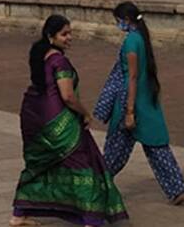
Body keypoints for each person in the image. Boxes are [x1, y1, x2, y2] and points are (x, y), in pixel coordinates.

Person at [11, 15, 128, 226]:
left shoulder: (41, 56)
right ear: (50, 36)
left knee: (39, 165)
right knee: (84, 165)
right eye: (64, 34)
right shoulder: (59, 60)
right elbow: (68, 96)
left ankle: (19, 214)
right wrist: (86, 113)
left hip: (36, 118)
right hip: (59, 122)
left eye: (70, 33)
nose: (69, 38)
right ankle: (91, 218)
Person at [95, 2, 184, 205]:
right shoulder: (142, 39)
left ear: (126, 20)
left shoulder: (131, 41)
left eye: (118, 21)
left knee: (114, 151)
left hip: (131, 101)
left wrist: (129, 111)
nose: (118, 25)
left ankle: (96, 185)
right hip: (147, 101)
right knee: (157, 147)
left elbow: (132, 76)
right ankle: (177, 189)